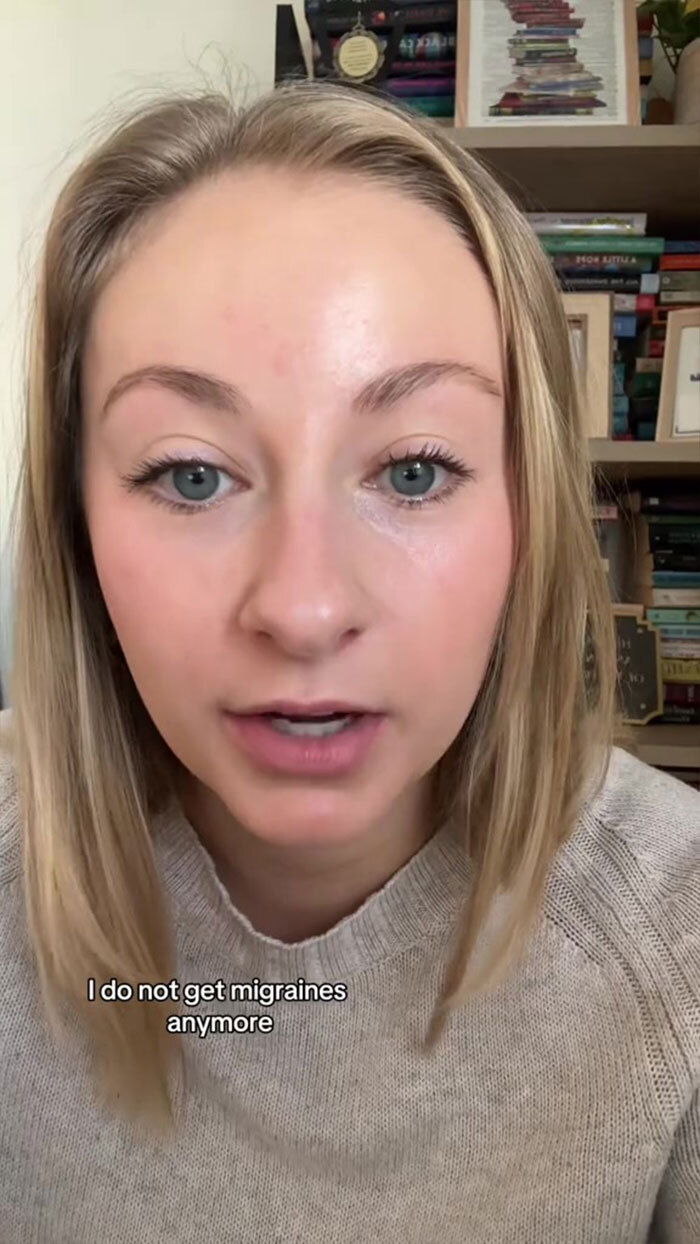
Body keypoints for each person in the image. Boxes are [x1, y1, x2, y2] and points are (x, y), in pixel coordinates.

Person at [0, 78, 698, 1244]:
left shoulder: (677, 937)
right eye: (190, 474)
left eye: (413, 470)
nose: (304, 607)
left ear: (527, 511)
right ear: (76, 528)